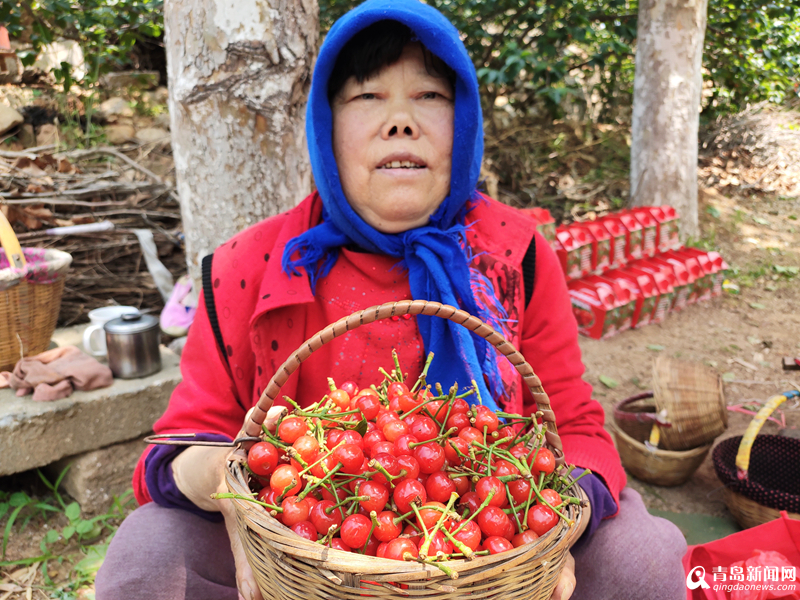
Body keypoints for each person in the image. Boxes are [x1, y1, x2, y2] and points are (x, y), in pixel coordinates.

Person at [95, 1, 687, 599]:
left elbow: (574, 423)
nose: (400, 121)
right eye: (367, 96)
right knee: (149, 560)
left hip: (490, 552)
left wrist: (554, 527)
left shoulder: (516, 254)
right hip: (297, 555)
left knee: (643, 560)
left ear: (464, 123)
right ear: (326, 128)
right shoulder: (246, 268)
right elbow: (181, 445)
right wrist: (223, 479)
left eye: (430, 95)